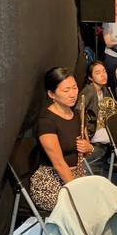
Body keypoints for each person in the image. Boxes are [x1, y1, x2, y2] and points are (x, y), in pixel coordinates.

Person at [29, 67, 95, 212]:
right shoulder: (46, 121)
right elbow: (59, 164)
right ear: (51, 94)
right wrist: (77, 190)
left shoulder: (78, 115)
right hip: (50, 180)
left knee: (102, 199)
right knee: (83, 207)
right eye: (66, 90)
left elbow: (87, 151)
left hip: (77, 174)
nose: (73, 94)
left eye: (75, 88)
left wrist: (88, 148)